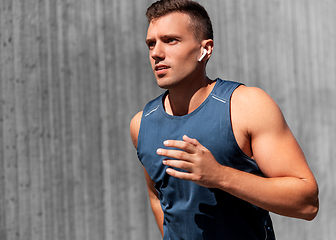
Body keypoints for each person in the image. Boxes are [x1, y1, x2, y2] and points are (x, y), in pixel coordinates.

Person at [130, 0, 319, 239]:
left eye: (170, 40)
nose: (156, 53)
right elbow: (158, 197)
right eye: (151, 44)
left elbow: (307, 202)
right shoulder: (141, 124)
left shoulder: (247, 106)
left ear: (205, 49)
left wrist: (220, 176)